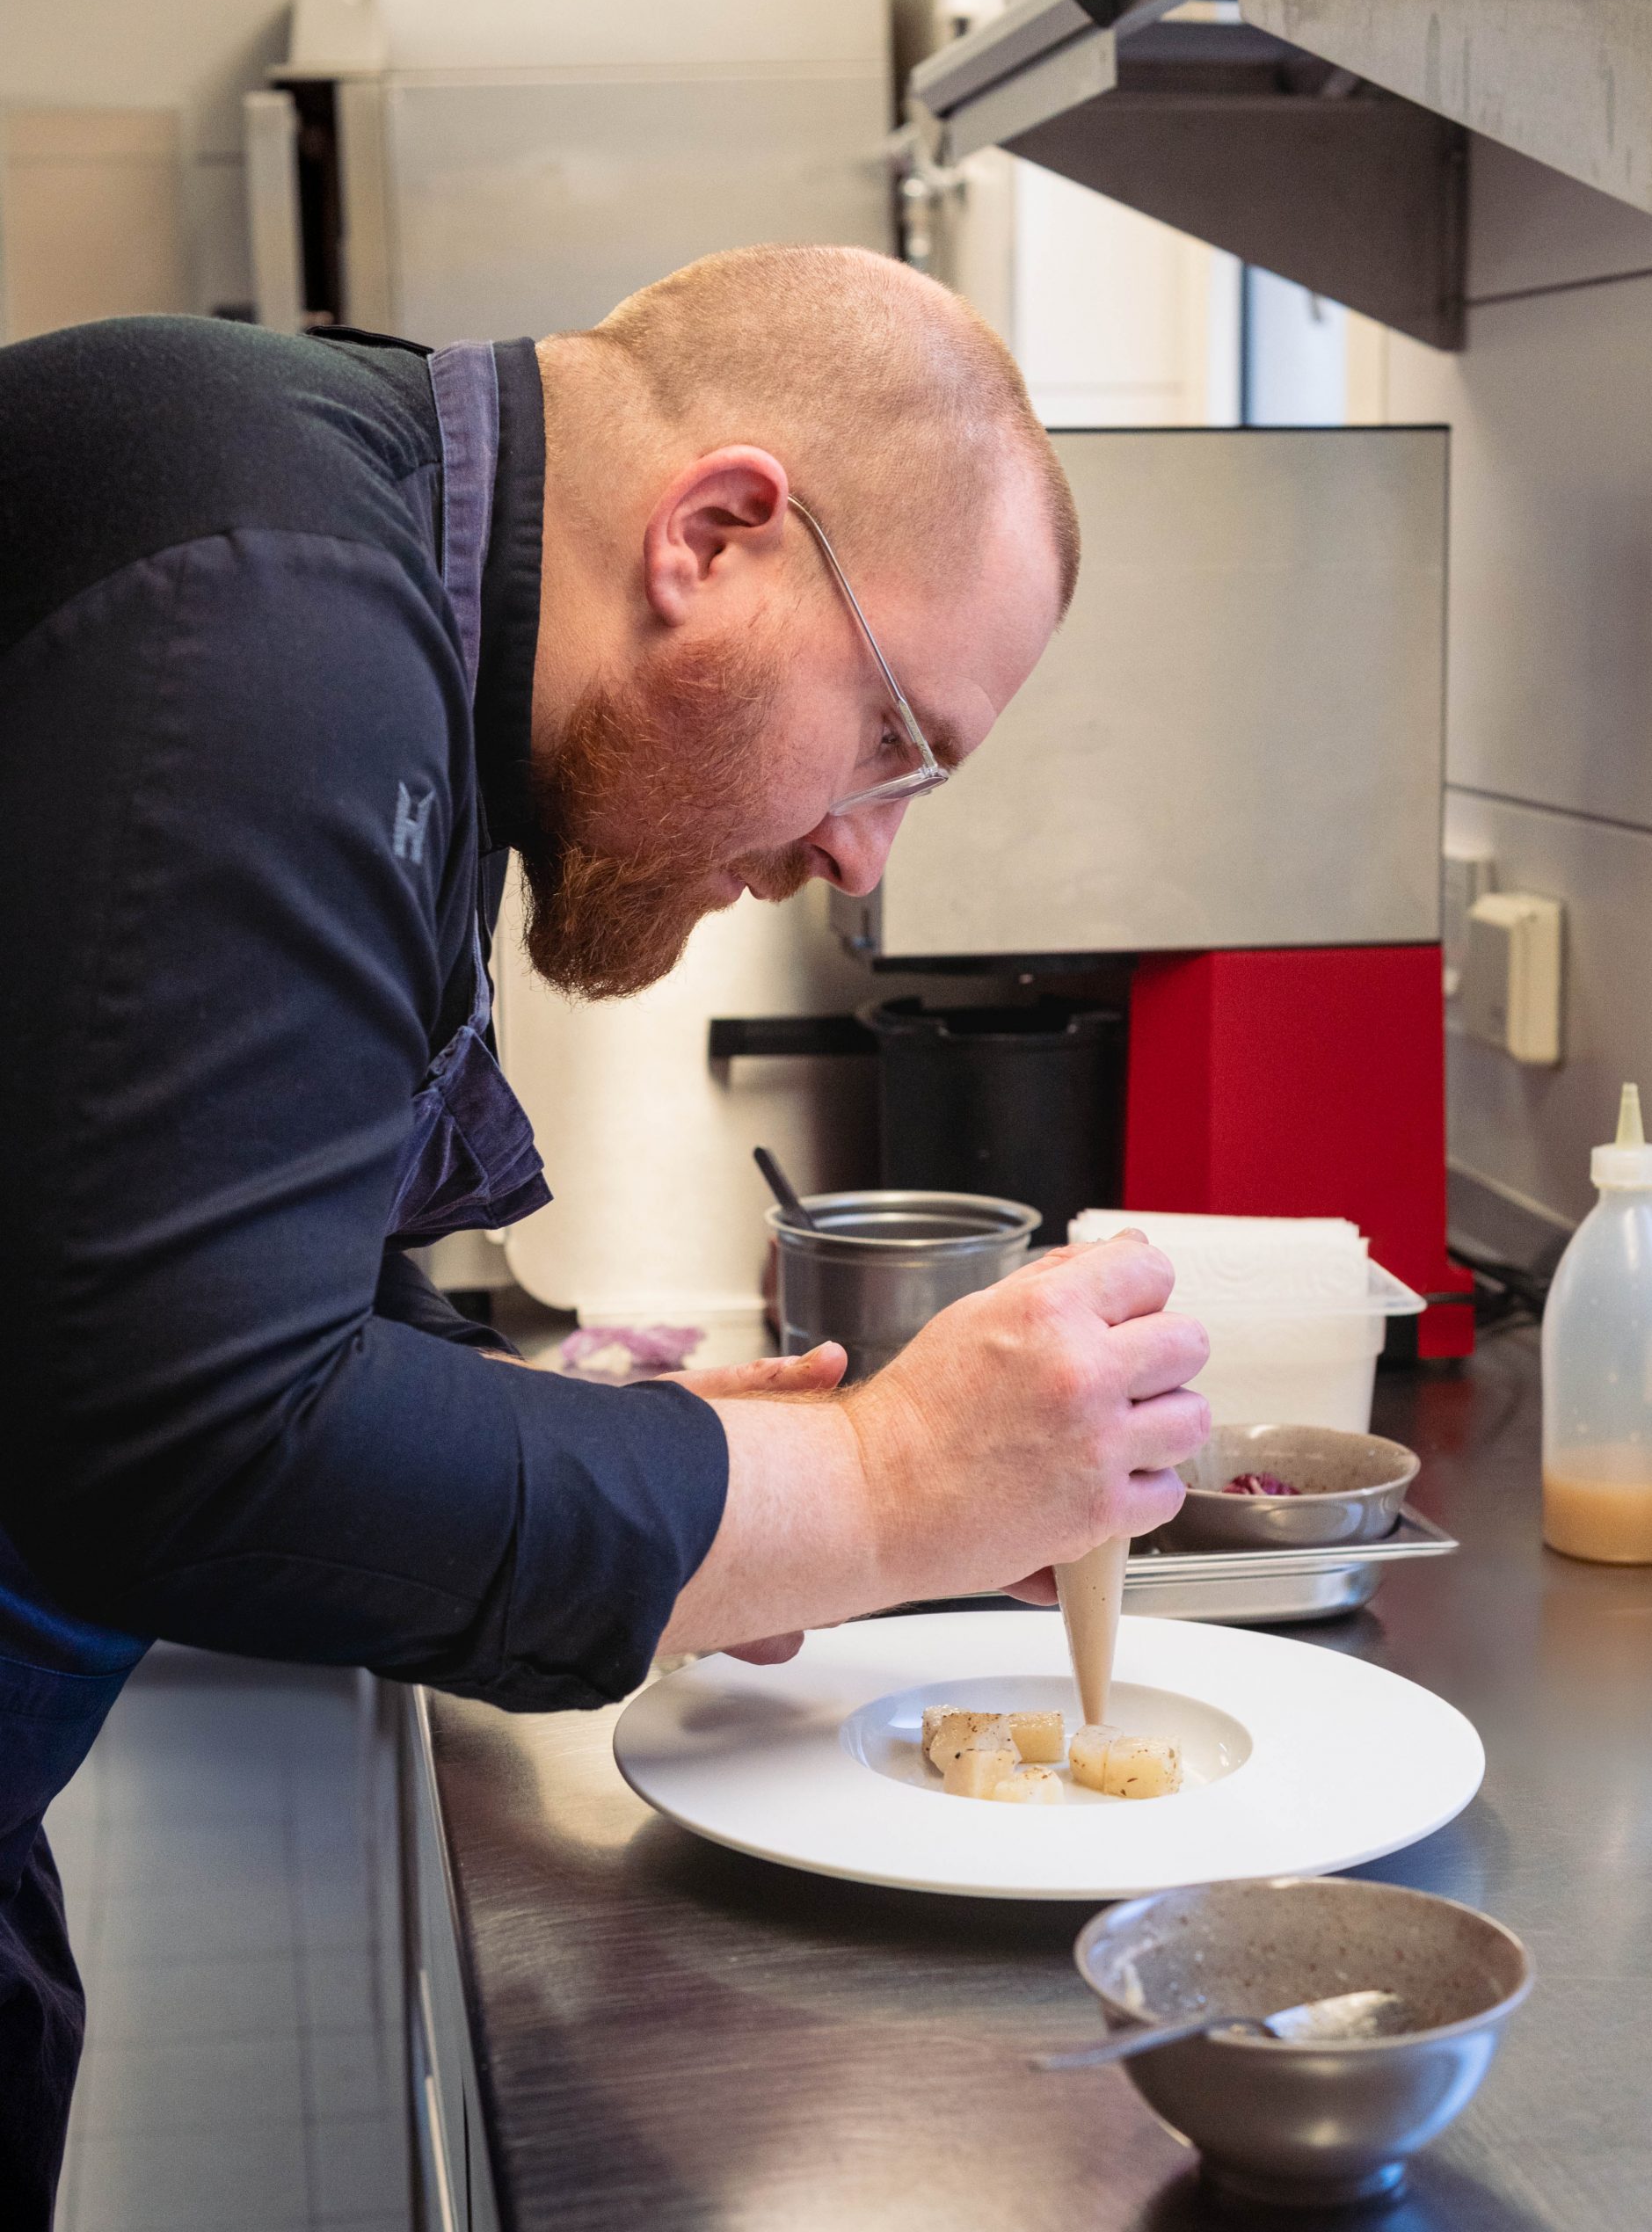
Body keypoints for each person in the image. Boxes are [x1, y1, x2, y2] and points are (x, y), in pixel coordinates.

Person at [0, 244, 1209, 2217]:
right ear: (714, 536)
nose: (862, 855)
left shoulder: (340, 560)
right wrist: (874, 1483)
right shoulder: (272, 616)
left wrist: (683, 1472)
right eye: (892, 738)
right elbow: (197, 1435)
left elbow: (187, 1264)